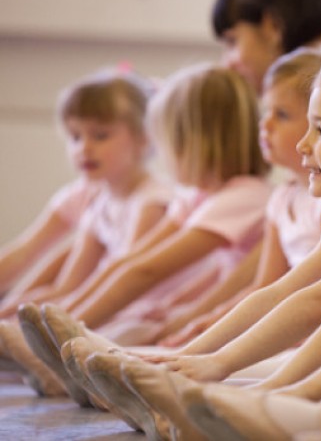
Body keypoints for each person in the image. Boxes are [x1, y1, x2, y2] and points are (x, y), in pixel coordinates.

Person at [58, 47, 321, 440]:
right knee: (231, 376)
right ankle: (165, 388)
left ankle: (208, 409)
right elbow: (281, 291)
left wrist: (246, 382)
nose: (303, 144)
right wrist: (194, 356)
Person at [3, 63, 272, 405]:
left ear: (195, 141)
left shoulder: (244, 196)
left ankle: (69, 371)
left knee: (126, 337)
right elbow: (132, 261)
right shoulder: (197, 198)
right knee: (125, 334)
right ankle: (63, 366)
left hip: (231, 321)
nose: (161, 158)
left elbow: (148, 271)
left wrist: (63, 327)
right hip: (207, 312)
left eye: (164, 142)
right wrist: (49, 320)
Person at [149, 47, 321, 347]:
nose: (265, 125)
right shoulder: (281, 198)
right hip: (289, 326)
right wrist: (212, 321)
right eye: (265, 111)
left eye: (281, 114)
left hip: (319, 334)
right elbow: (264, 285)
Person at [0, 67, 172, 394]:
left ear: (143, 137)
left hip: (141, 310)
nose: (84, 148)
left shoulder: (152, 201)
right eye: (75, 136)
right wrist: (17, 309)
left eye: (100, 135)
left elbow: (126, 281)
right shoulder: (96, 197)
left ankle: (56, 369)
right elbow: (69, 281)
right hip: (103, 304)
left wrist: (34, 318)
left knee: (117, 334)